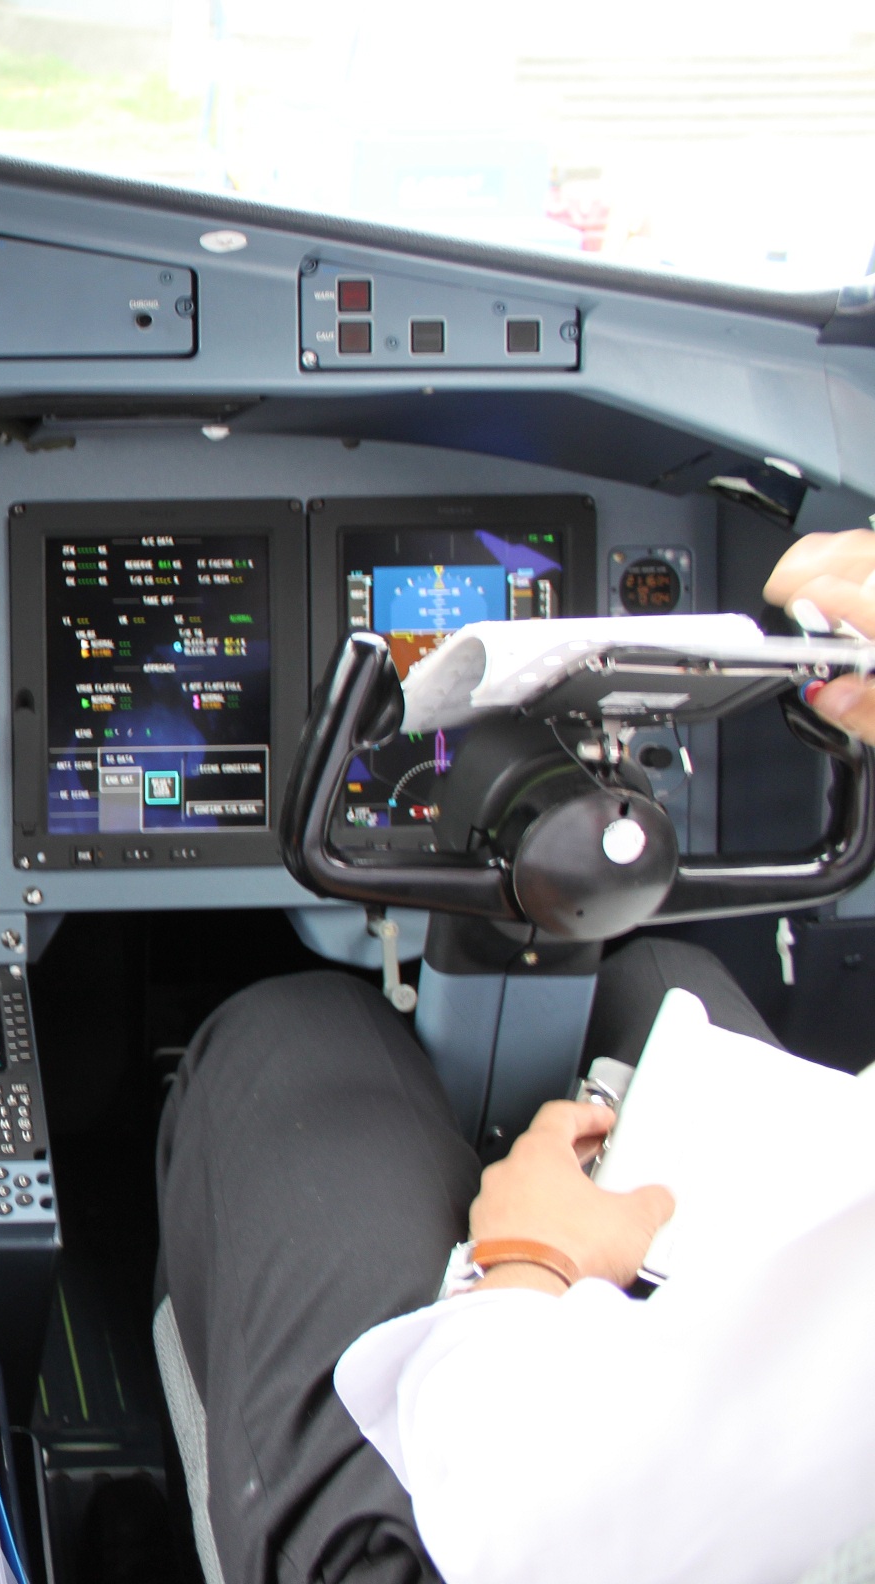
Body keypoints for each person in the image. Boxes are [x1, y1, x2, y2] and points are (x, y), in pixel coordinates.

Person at [157, 527, 875, 1584]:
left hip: (502, 1528)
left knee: (290, 1037)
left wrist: (528, 1262)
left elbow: (517, 1520)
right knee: (658, 981)